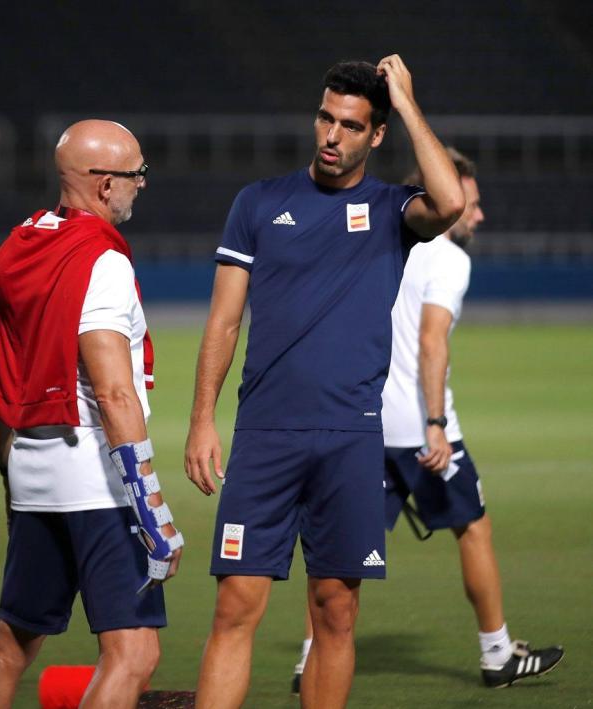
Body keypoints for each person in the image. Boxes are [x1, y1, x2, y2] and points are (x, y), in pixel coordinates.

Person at [184, 56, 466, 709]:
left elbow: (450, 201)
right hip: (265, 436)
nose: (332, 136)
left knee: (336, 612)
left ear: (376, 135)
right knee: (235, 606)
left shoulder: (395, 211)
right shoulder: (258, 203)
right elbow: (223, 323)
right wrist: (203, 418)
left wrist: (406, 98)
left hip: (349, 440)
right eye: (325, 118)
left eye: (350, 125)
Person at [292, 147, 564, 692]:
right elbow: (431, 339)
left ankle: (310, 658)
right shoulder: (448, 259)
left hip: (363, 423)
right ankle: (496, 654)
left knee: (342, 550)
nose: (479, 215)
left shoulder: (379, 242)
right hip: (421, 432)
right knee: (474, 528)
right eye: (472, 203)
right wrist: (436, 422)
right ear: (447, 198)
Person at [0, 119, 183, 709]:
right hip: (97, 482)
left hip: (34, 475)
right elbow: (115, 394)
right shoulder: (101, 263)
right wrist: (153, 506)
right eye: (137, 174)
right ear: (106, 184)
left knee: (11, 644)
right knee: (133, 654)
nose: (142, 184)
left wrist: (11, 471)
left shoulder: (12, 250)